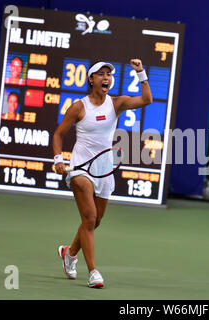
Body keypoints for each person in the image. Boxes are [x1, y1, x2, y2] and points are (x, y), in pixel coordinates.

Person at [52, 59, 152, 288]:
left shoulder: (116, 103)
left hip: (104, 170)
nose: (106, 77)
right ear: (91, 79)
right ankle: (93, 272)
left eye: (109, 74)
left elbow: (147, 99)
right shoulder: (79, 106)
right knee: (88, 218)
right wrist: (59, 159)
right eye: (101, 74)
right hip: (80, 170)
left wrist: (140, 72)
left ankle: (70, 252)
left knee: (96, 220)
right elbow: (58, 134)